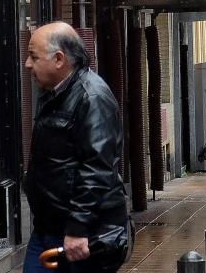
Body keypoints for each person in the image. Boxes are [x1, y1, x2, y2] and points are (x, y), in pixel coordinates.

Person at [23, 22, 129, 273]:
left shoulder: (91, 97)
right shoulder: (54, 93)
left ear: (59, 59)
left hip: (81, 236)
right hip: (49, 229)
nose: (28, 64)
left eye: (33, 57)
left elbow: (97, 168)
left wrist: (77, 228)